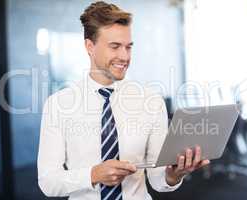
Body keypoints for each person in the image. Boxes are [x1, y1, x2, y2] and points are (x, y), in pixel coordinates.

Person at [37, 1, 210, 200]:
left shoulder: (151, 102)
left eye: (128, 47)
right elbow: (48, 182)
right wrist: (93, 174)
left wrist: (174, 174)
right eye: (115, 46)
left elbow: (157, 179)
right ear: (89, 46)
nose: (124, 56)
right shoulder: (58, 105)